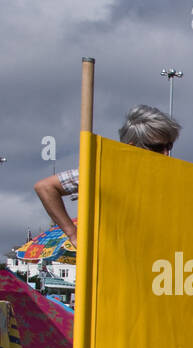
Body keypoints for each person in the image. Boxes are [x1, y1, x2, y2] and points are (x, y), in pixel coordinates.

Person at [34, 104, 181, 248]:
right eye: (157, 148)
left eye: (169, 146)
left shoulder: (171, 178)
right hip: (112, 261)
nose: (166, 154)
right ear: (132, 146)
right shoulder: (104, 172)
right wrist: (73, 234)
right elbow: (45, 187)